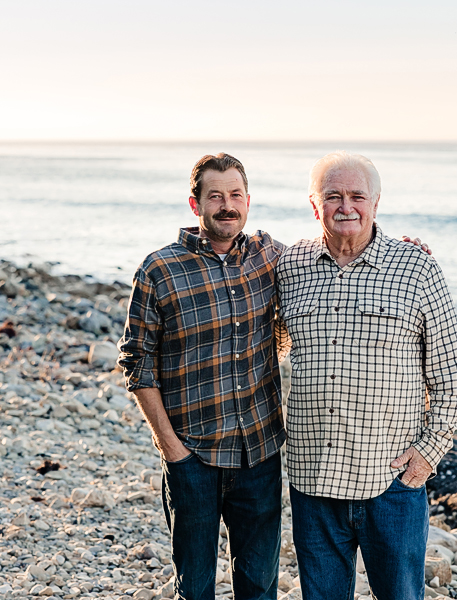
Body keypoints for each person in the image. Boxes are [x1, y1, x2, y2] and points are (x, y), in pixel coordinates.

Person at [277, 151, 457, 600]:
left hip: (391, 482)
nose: (346, 206)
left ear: (376, 203)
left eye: (357, 196)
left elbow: (453, 379)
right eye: (333, 196)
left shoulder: (416, 268)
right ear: (314, 205)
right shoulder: (289, 267)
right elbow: (269, 341)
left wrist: (427, 455)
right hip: (313, 481)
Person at [118, 153, 286, 600]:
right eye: (215, 196)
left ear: (248, 200)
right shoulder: (159, 270)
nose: (227, 206)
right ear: (196, 205)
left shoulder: (270, 256)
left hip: (259, 455)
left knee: (260, 587)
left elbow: (334, 256)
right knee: (194, 588)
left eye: (235, 195)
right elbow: (136, 361)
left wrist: (401, 249)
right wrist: (170, 449)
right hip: (192, 457)